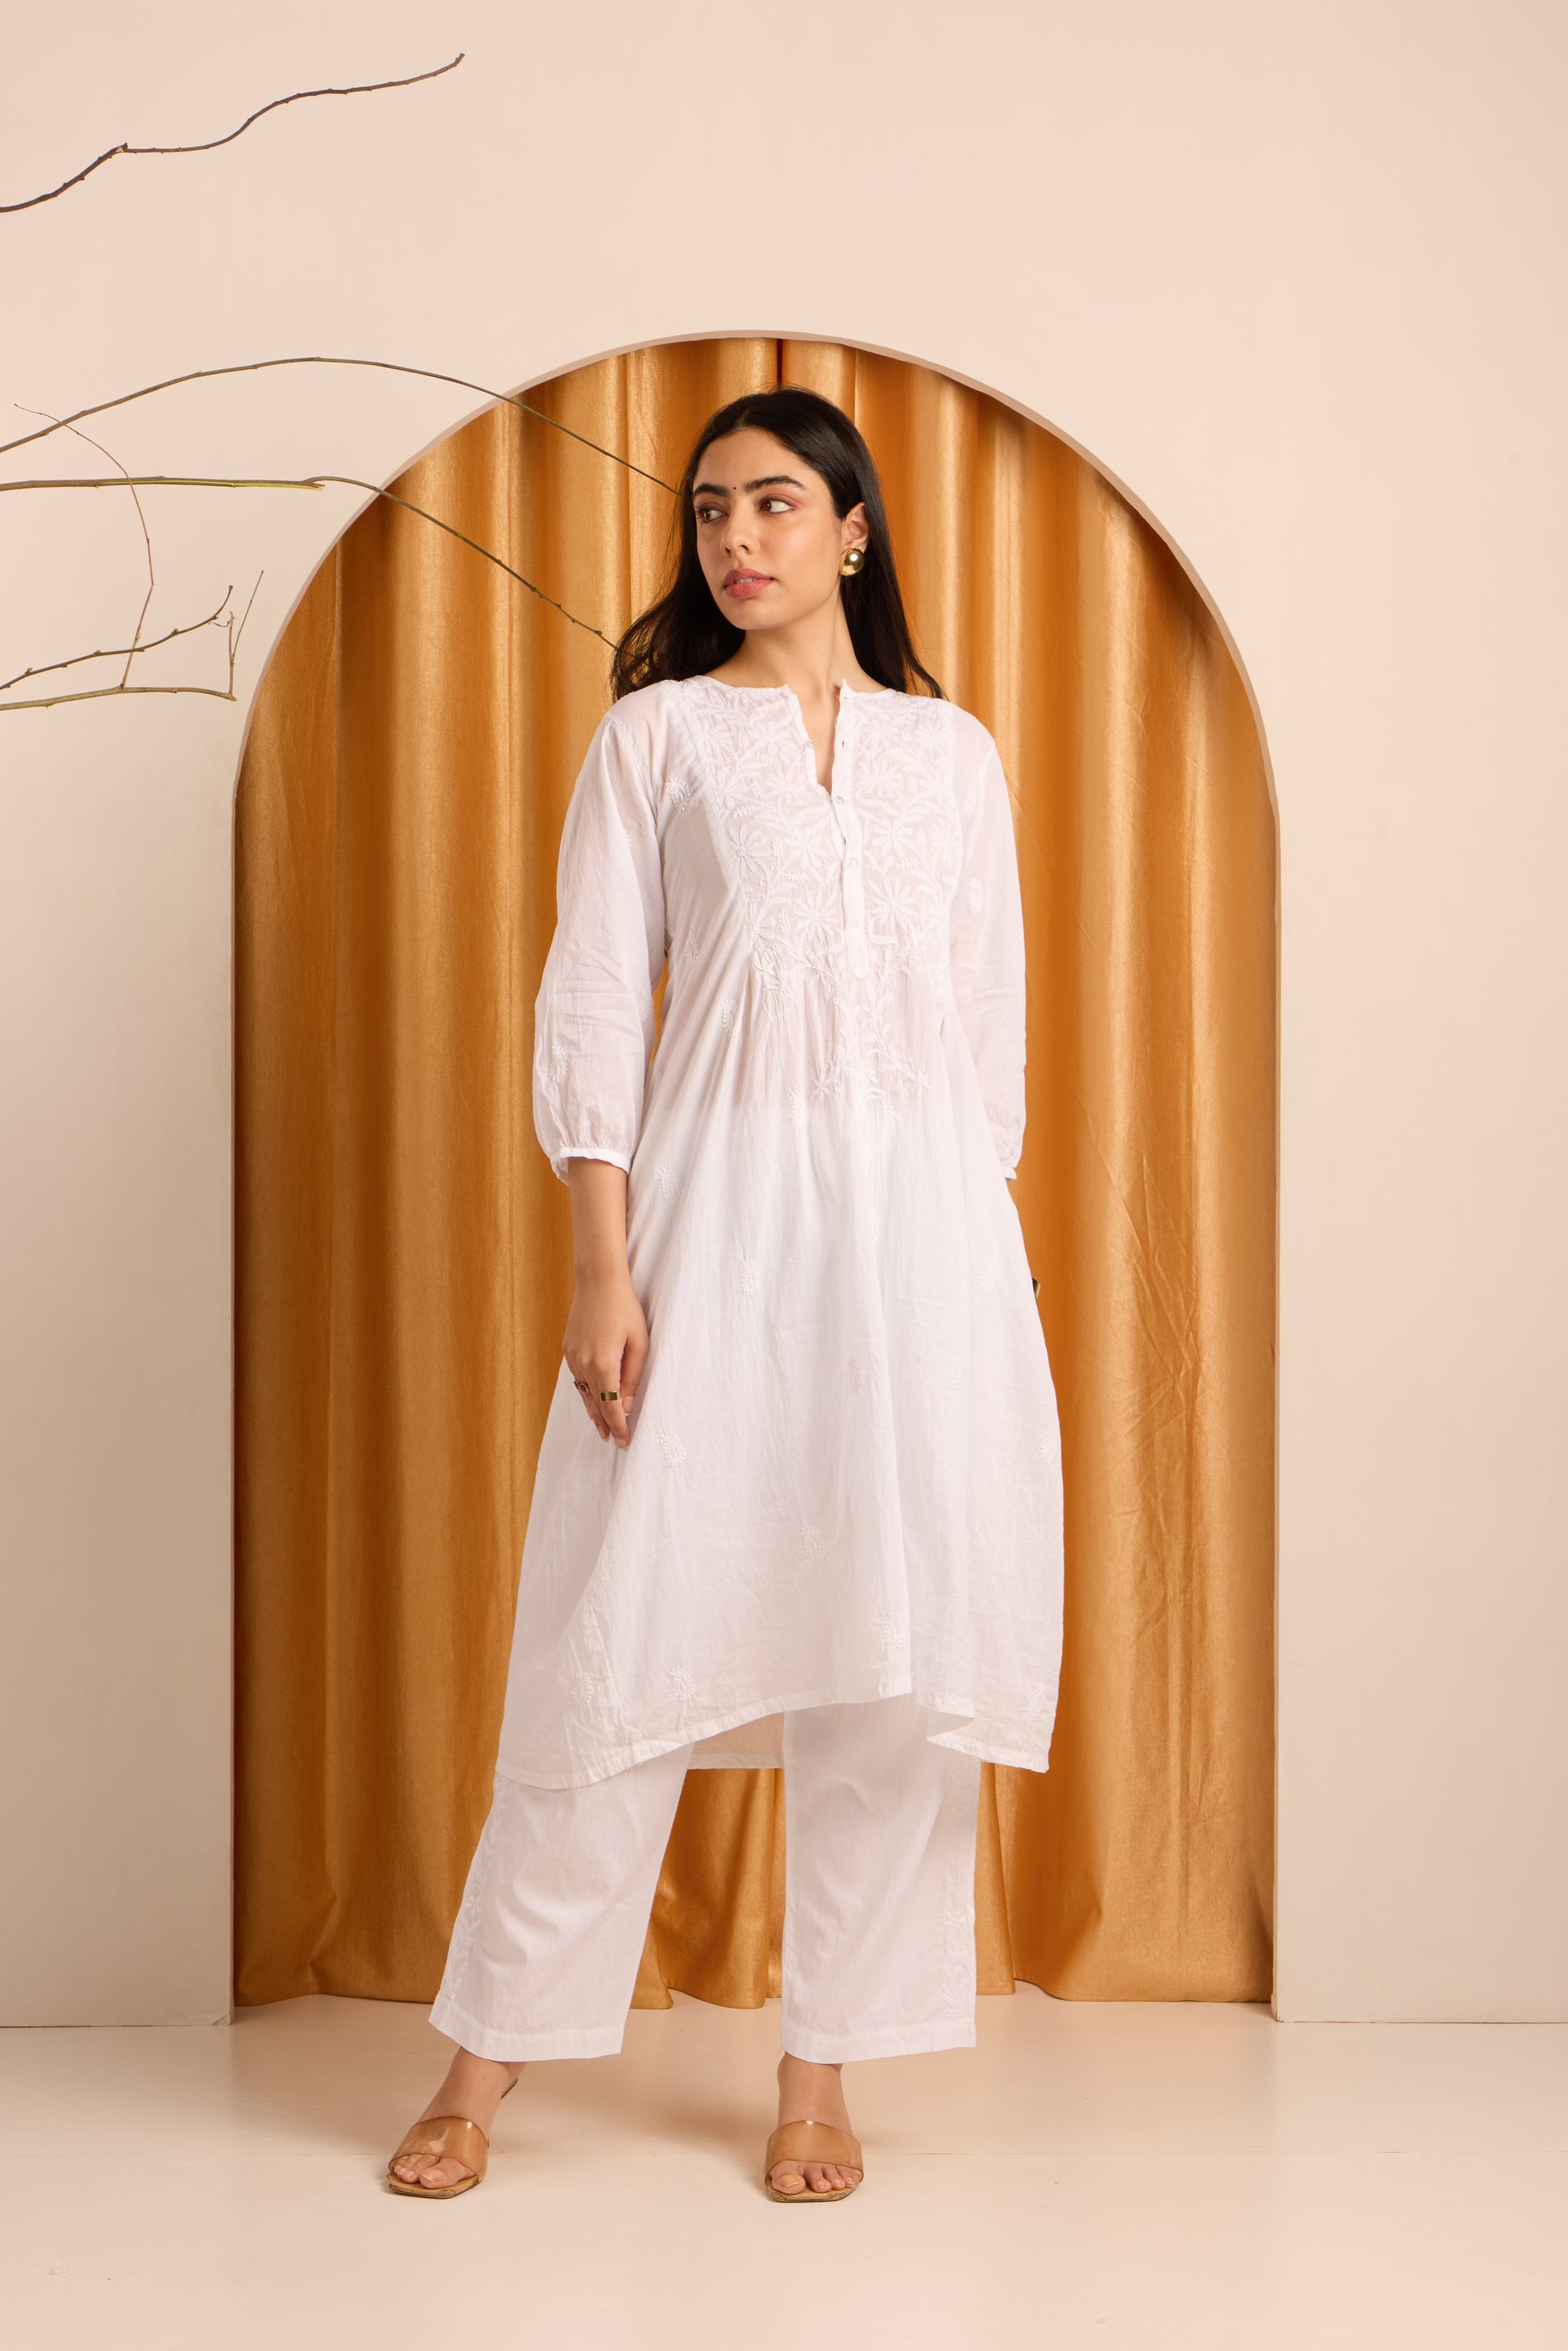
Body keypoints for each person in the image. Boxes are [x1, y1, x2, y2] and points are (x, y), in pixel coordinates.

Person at [387, 386, 1064, 2203]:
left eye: (772, 503)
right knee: (619, 1627)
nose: (734, 539)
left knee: (890, 1646)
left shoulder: (952, 756)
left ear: (852, 529)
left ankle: (820, 2073)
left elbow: (984, 1037)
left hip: (921, 1247)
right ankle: (481, 2059)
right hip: (712, 1228)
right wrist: (603, 1262)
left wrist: (974, 1260)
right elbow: (594, 1001)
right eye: (707, 511)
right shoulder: (659, 738)